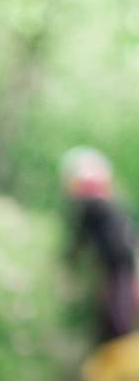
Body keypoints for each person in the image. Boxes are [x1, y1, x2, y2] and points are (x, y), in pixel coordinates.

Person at [62, 147, 137, 344]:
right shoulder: (108, 204)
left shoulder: (94, 206)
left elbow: (78, 240)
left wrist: (69, 261)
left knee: (117, 318)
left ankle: (119, 356)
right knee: (117, 314)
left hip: (117, 263)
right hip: (119, 263)